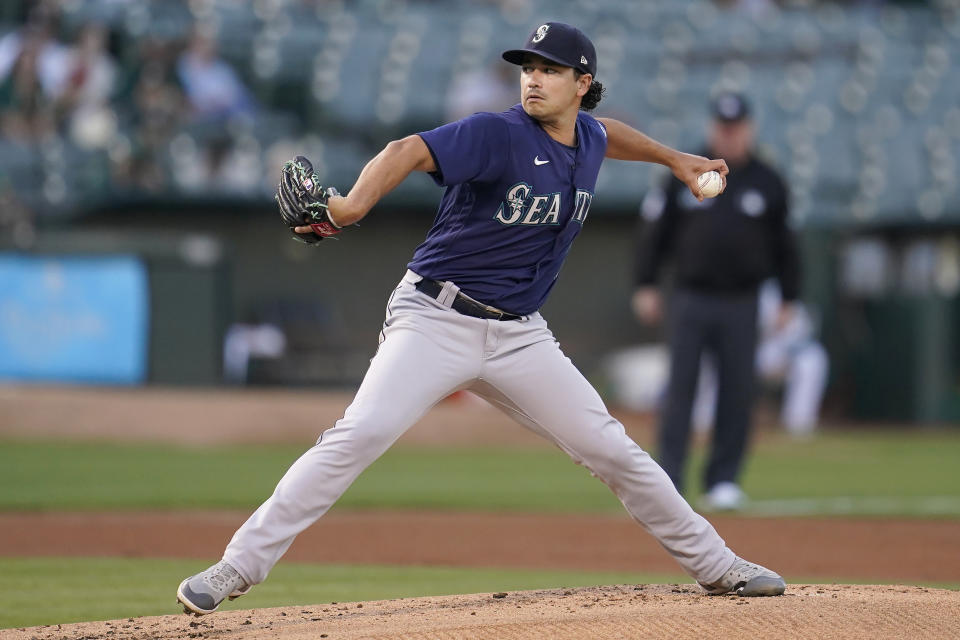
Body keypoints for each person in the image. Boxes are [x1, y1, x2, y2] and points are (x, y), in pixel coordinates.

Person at [176, 23, 786, 616]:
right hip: (435, 317)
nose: (533, 79)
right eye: (528, 68)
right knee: (358, 434)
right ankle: (235, 567)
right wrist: (349, 206)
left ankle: (718, 565)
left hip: (520, 334)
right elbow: (405, 150)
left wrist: (674, 158)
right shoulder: (497, 135)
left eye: (550, 69)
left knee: (614, 450)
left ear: (583, 83)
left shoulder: (590, 138)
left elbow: (608, 135)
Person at [633, 92, 800, 511]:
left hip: (743, 299)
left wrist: (789, 297)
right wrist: (646, 282)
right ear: (712, 128)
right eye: (723, 127)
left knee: (738, 390)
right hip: (691, 295)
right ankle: (668, 478)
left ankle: (723, 479)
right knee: (681, 389)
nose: (729, 134)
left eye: (736, 127)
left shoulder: (768, 180)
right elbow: (656, 231)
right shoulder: (684, 171)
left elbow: (787, 244)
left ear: (749, 128)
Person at [692, 280, 828, 439]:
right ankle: (703, 423)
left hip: (770, 353)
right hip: (734, 353)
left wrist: (785, 351)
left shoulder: (775, 291)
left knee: (813, 359)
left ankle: (799, 424)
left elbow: (799, 330)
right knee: (710, 361)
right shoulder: (725, 291)